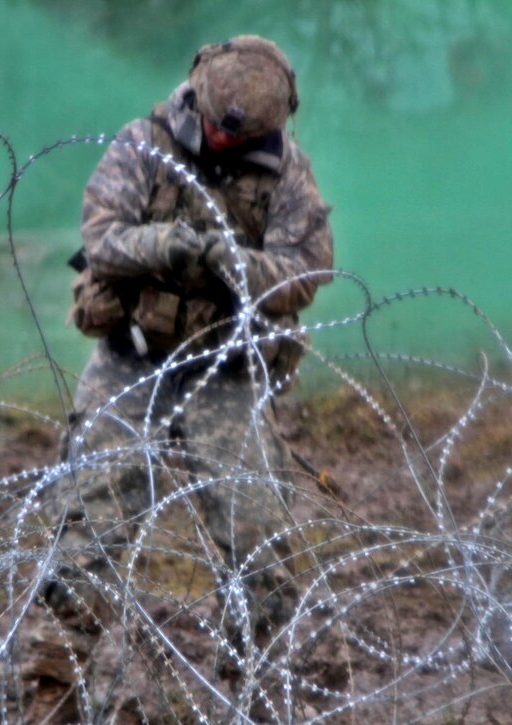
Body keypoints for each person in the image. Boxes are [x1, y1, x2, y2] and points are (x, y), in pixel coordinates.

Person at [32, 34, 333, 693]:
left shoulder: (286, 171)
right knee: (86, 534)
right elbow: (101, 235)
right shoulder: (143, 143)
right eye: (216, 124)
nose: (223, 141)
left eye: (242, 133)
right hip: (131, 360)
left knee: (260, 548)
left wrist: (235, 264)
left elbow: (307, 270)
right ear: (198, 95)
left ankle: (249, 692)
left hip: (223, 370)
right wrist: (164, 245)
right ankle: (54, 693)